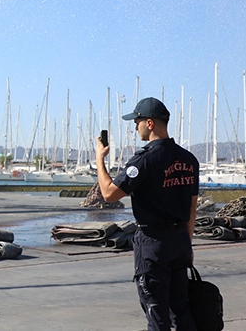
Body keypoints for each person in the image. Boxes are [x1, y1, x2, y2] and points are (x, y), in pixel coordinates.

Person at [95, 97, 199, 331]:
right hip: (180, 240)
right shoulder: (188, 159)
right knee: (180, 311)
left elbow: (109, 194)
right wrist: (188, 245)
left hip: (153, 243)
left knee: (156, 312)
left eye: (137, 121)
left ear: (150, 123)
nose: (135, 126)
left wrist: (99, 160)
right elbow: (192, 208)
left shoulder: (145, 160)